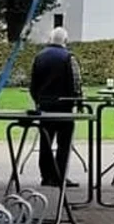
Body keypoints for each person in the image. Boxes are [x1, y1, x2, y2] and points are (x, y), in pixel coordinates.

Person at [28, 27, 83, 188]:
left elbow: (33, 84)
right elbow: (76, 82)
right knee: (63, 144)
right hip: (64, 106)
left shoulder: (39, 57)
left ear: (50, 39)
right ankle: (59, 176)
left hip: (45, 106)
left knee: (45, 142)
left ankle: (46, 176)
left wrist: (38, 100)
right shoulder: (69, 57)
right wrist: (78, 101)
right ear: (65, 41)